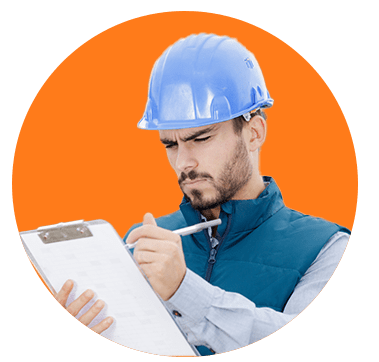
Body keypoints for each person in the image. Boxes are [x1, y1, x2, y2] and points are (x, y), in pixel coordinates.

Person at [56, 33, 351, 355]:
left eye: (202, 138)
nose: (184, 162)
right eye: (170, 144)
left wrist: (183, 290)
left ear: (254, 133)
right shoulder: (146, 242)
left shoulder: (326, 249)